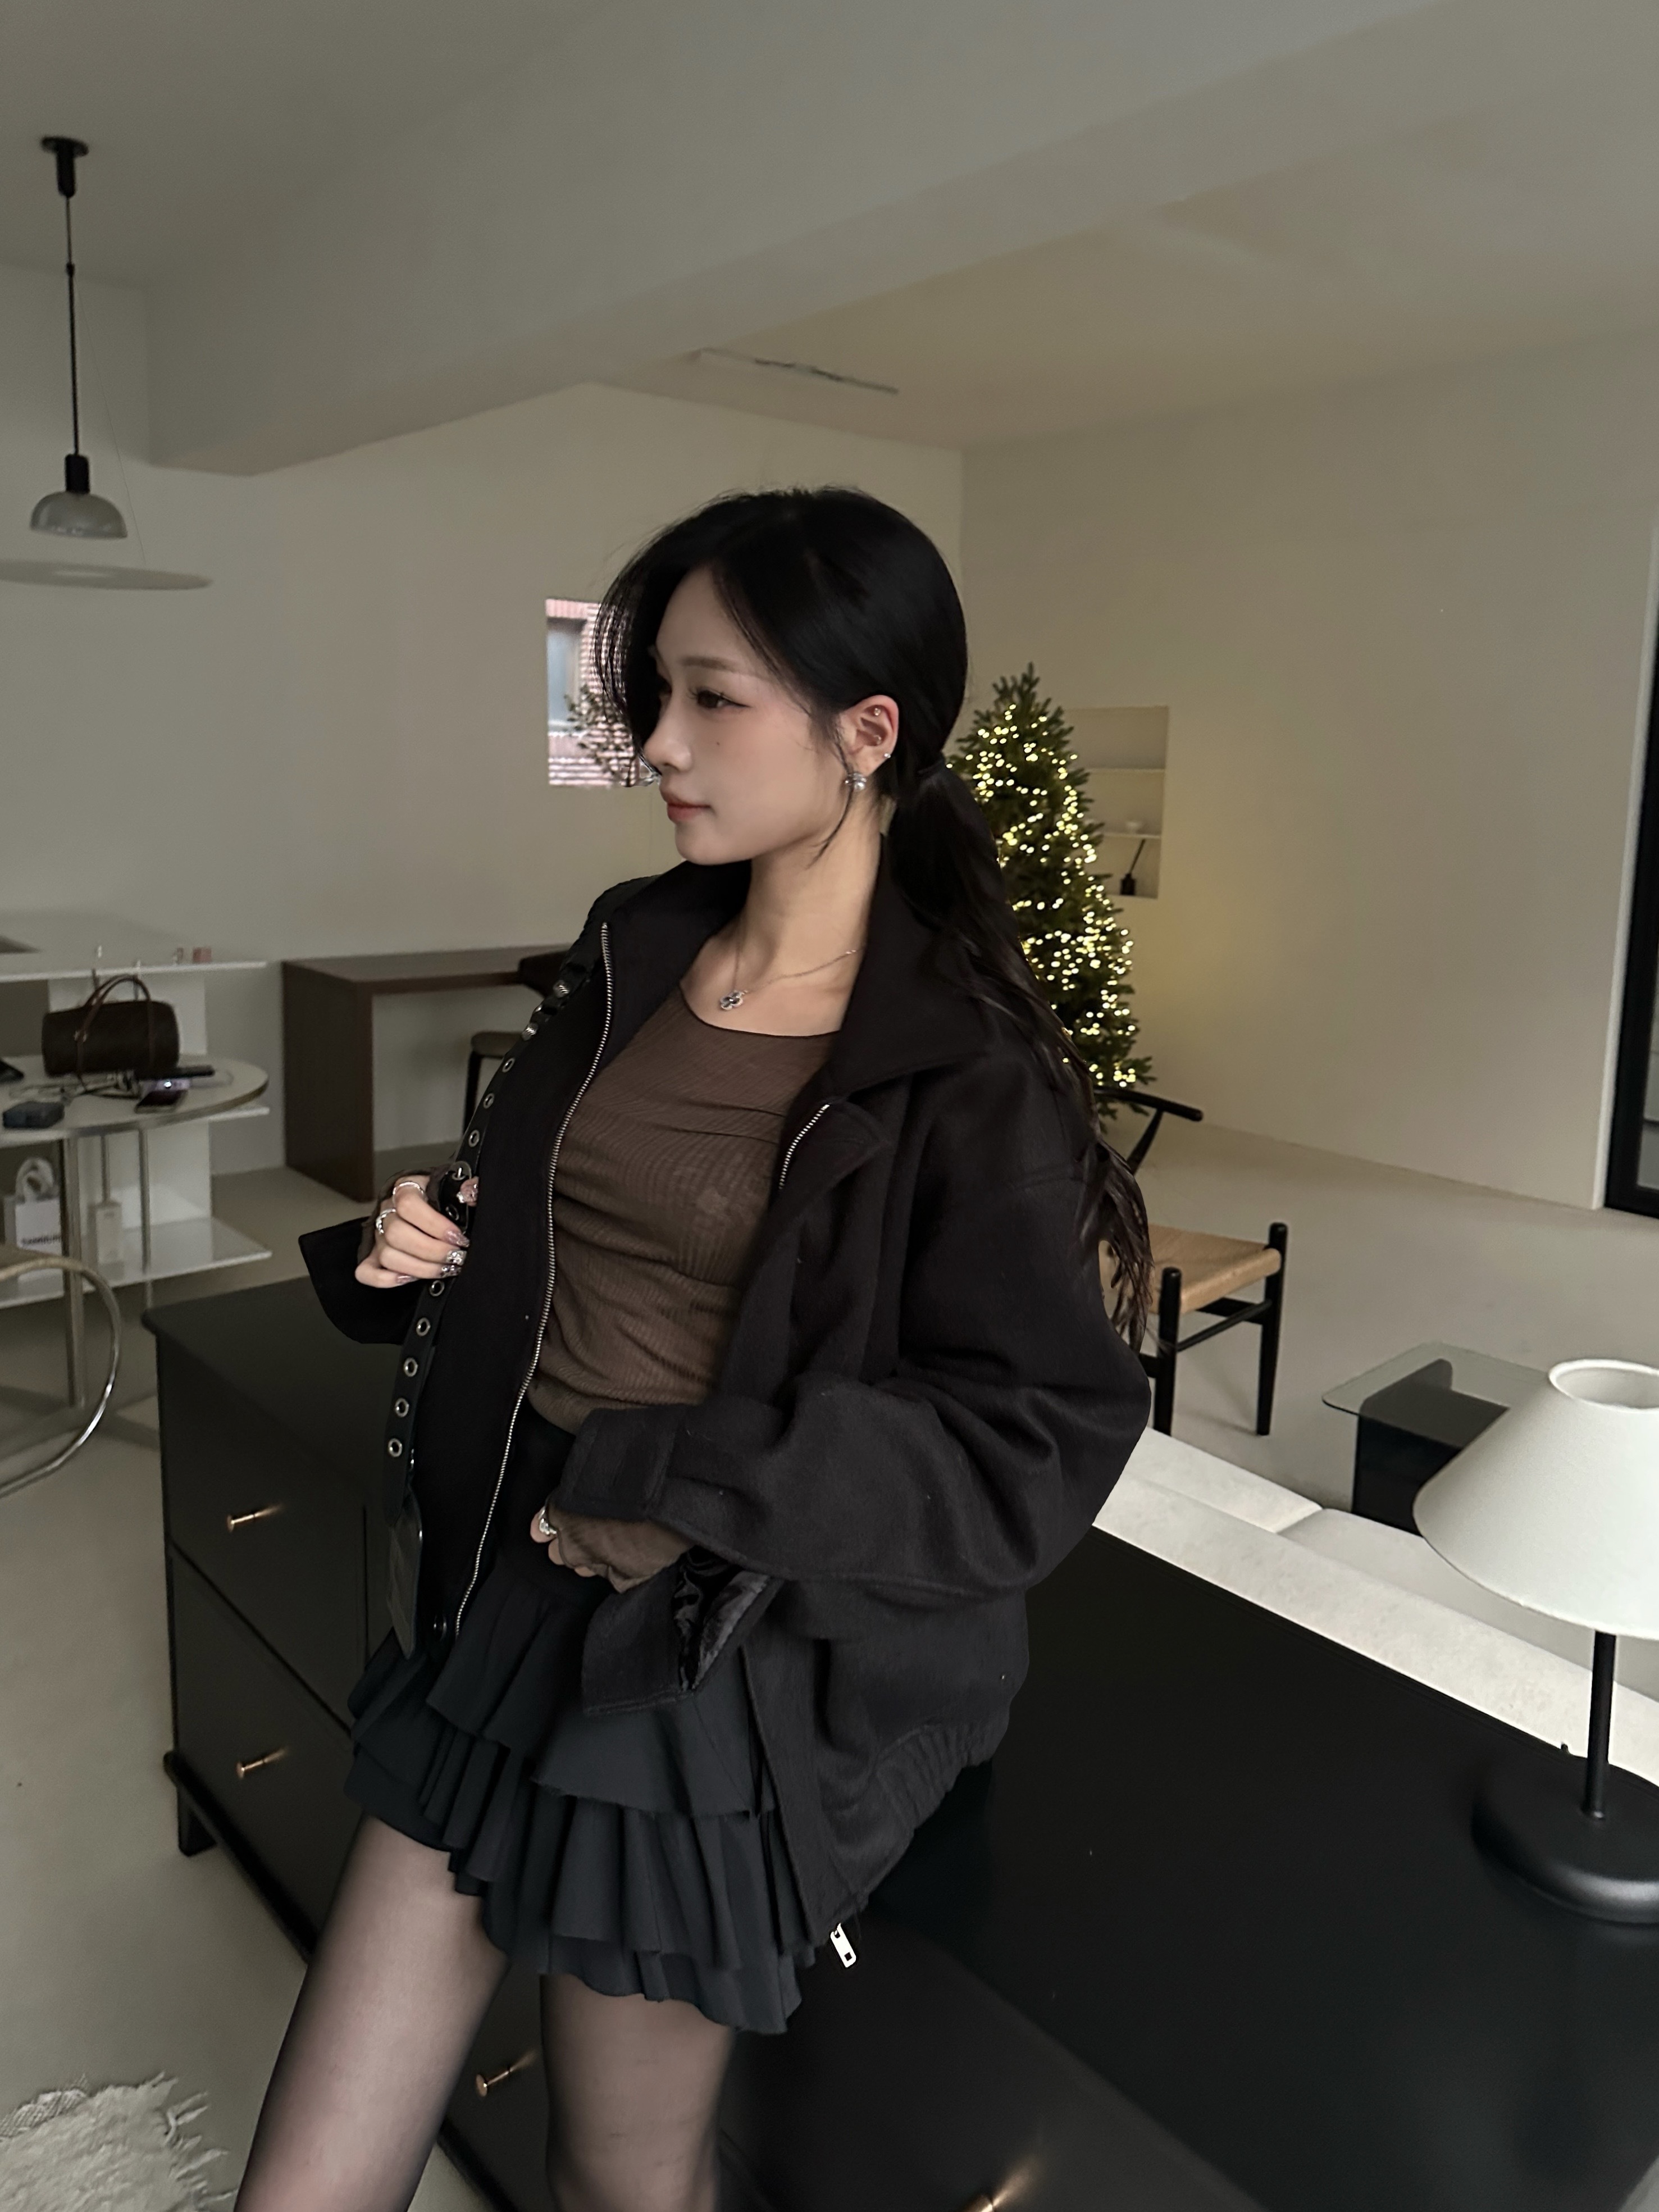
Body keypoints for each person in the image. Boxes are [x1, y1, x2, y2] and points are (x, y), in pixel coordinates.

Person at [235, 486, 1152, 2212]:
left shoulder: (961, 1069)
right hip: (503, 1589)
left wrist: (681, 1490)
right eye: (655, 691)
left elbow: (1030, 1438)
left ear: (865, 732)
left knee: (617, 2183)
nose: (657, 741)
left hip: (711, 1650)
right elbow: (564, 1208)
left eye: (711, 698)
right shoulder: (633, 947)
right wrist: (416, 1235)